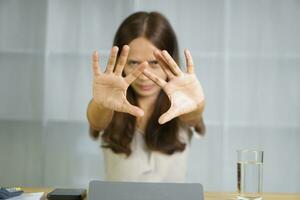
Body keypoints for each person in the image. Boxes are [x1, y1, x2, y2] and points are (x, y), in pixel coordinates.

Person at [87, 11, 205, 183]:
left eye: (155, 63)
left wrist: (197, 104)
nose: (144, 75)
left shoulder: (182, 103)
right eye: (134, 63)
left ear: (171, 60)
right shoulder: (109, 101)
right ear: (121, 61)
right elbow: (97, 122)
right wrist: (101, 104)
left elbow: (193, 117)